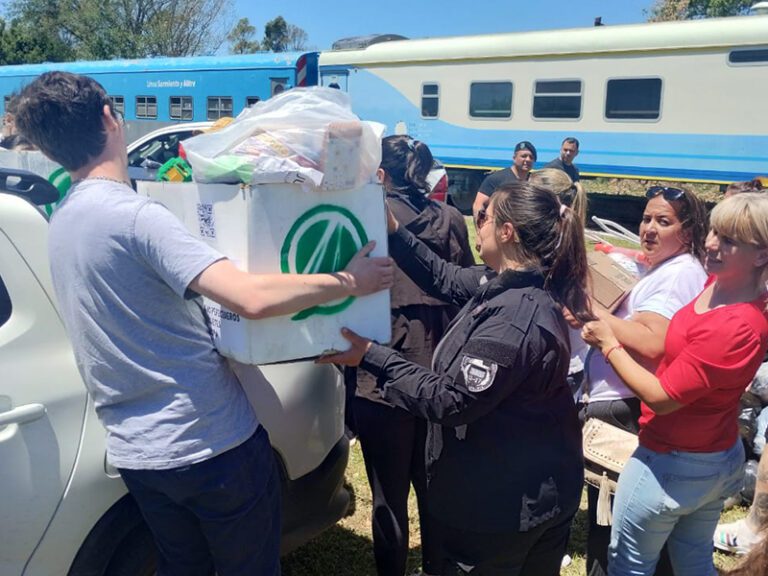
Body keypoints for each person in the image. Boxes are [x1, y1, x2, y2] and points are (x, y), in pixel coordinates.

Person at [14, 71, 394, 576]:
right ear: (110, 118)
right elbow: (250, 297)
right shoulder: (134, 216)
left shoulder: (62, 220)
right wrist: (350, 279)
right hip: (209, 446)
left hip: (137, 455)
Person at [322, 180, 592, 575]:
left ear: (507, 231)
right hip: (525, 488)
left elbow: (451, 400)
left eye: (484, 218)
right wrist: (395, 231)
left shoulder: (511, 322)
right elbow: (446, 278)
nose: (476, 224)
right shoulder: (514, 281)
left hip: (502, 513)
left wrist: (370, 356)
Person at [581, 192, 768, 576]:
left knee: (627, 565)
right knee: (692, 560)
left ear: (761, 255)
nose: (712, 243)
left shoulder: (736, 326)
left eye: (729, 240)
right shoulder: (722, 284)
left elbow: (661, 397)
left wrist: (608, 343)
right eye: (714, 231)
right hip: (709, 454)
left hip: (671, 461)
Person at [567, 185, 709, 576]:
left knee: (611, 528)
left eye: (663, 222)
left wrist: (589, 311)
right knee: (612, 524)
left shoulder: (679, 274)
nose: (648, 228)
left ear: (688, 231)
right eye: (646, 218)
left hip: (624, 408)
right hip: (620, 402)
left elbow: (653, 342)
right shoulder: (666, 267)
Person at [351, 135, 474, 576]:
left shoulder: (366, 220)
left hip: (383, 377)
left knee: (388, 496)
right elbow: (463, 291)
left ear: (380, 174)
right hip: (443, 373)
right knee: (437, 489)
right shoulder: (452, 218)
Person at [471, 140, 536, 223]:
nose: (527, 159)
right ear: (514, 158)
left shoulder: (534, 181)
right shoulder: (497, 179)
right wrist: (480, 228)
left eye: (531, 157)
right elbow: (478, 204)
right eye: (524, 156)